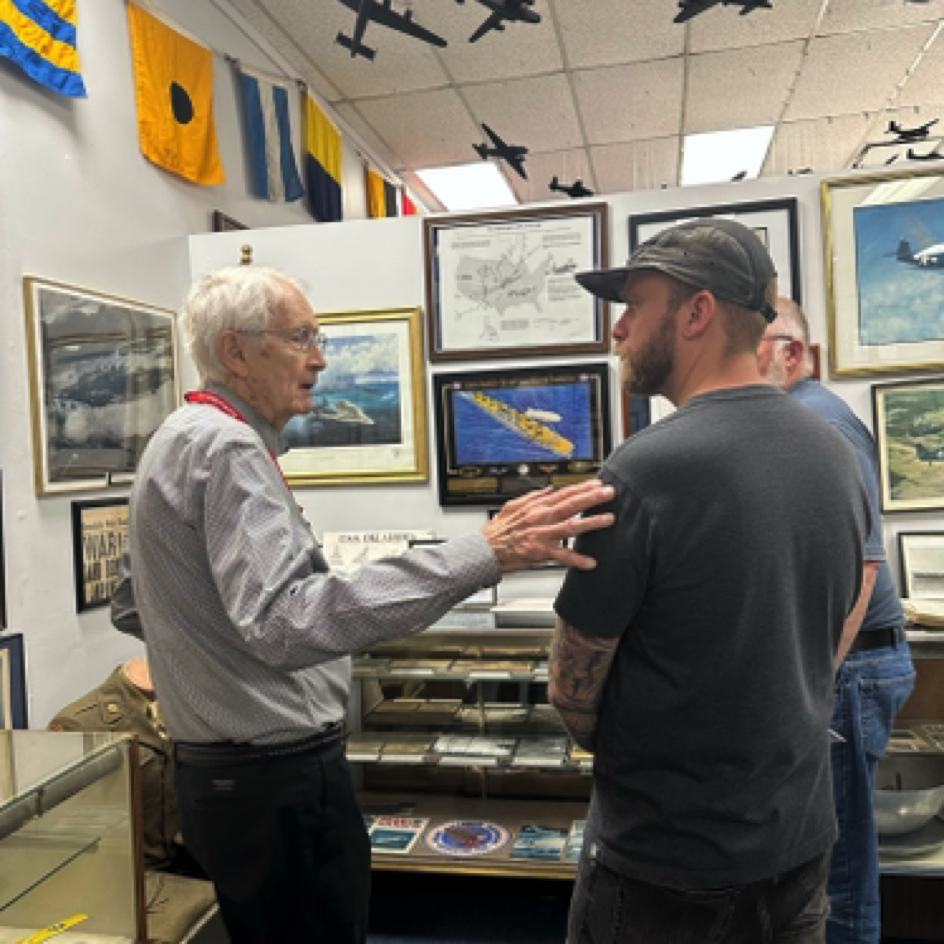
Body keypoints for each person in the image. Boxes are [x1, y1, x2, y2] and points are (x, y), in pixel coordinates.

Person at [112, 264, 614, 944]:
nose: (319, 358)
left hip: (226, 781)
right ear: (235, 351)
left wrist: (209, 665)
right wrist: (483, 552)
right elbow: (285, 622)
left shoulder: (177, 437)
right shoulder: (228, 447)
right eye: (299, 337)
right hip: (274, 782)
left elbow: (132, 603)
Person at [548, 219, 872, 944]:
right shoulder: (835, 454)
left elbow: (572, 694)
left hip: (665, 862)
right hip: (797, 842)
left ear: (696, 312)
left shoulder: (643, 470)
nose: (619, 329)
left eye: (635, 305)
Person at [758, 296, 915, 944]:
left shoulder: (818, 422)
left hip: (850, 668)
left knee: (841, 867)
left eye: (750, 346)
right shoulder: (793, 420)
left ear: (792, 354)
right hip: (844, 665)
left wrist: (814, 681)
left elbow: (864, 567)